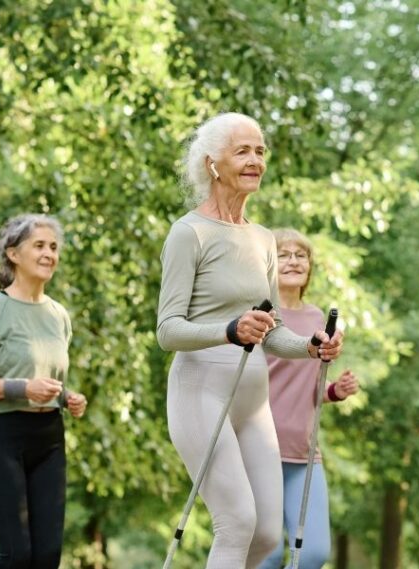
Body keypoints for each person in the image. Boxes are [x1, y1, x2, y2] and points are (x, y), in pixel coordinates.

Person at [157, 112, 345, 568]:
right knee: (237, 521)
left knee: (264, 535)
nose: (255, 160)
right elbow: (167, 330)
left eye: (260, 151)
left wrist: (310, 345)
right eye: (243, 150)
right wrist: (228, 330)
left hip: (252, 398)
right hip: (200, 391)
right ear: (212, 164)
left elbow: (273, 330)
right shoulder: (190, 233)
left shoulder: (262, 240)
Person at [0, 214, 88, 568]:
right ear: (13, 254)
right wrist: (24, 388)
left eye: (54, 247)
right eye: (39, 246)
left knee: (46, 557)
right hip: (0, 436)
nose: (49, 254)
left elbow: (45, 378)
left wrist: (67, 397)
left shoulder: (58, 315)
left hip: (48, 437)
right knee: (15, 555)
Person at [257, 228, 360, 569]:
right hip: (260, 448)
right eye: (284, 255)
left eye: (301, 255)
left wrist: (335, 392)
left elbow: (311, 387)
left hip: (305, 452)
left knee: (313, 553)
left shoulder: (318, 319)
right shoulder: (260, 315)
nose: (293, 261)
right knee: (267, 554)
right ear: (270, 264)